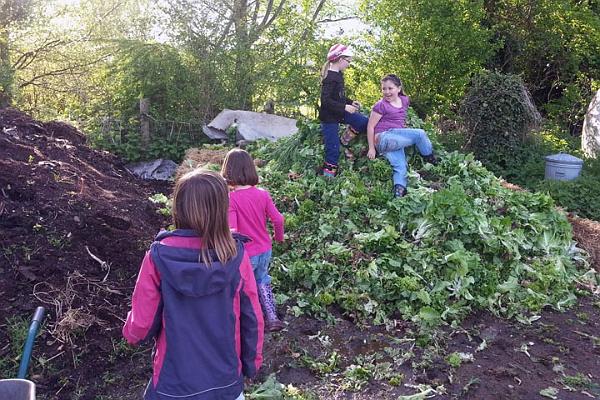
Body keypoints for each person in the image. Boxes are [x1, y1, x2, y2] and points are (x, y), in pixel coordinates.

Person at [123, 169, 263, 400]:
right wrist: (251, 363)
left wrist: (131, 334)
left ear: (178, 206)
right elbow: (252, 319)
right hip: (225, 381)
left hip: (173, 382)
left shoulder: (158, 257)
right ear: (222, 209)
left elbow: (142, 324)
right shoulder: (236, 257)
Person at [221, 148, 285, 332]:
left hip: (245, 254)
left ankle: (247, 321)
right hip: (265, 249)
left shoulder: (231, 199)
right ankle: (272, 318)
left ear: (228, 171)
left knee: (242, 286)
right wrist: (278, 238)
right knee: (262, 279)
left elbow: (232, 230)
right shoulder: (262, 194)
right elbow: (278, 219)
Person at [367, 74, 438, 198]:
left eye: (390, 88)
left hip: (394, 140)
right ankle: (432, 162)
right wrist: (371, 148)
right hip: (383, 138)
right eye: (384, 89)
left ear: (398, 89)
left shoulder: (404, 100)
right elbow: (370, 126)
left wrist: (402, 129)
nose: (387, 92)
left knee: (401, 167)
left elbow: (400, 118)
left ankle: (398, 194)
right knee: (420, 134)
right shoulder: (381, 105)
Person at [318, 43, 369, 177]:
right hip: (329, 117)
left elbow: (339, 96)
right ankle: (327, 178)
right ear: (340, 59)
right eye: (348, 61)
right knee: (333, 150)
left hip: (340, 113)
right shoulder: (329, 78)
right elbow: (325, 101)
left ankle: (345, 138)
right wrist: (345, 107)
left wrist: (350, 102)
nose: (349, 64)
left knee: (364, 123)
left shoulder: (339, 75)